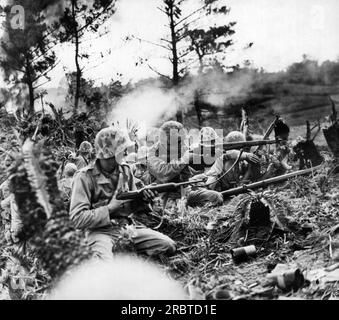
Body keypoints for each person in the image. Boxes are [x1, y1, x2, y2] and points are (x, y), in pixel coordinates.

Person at [69, 127, 176, 260]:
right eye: (121, 149)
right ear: (108, 152)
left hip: (126, 228)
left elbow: (132, 206)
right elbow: (77, 219)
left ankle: (126, 254)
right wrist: (109, 209)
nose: (125, 152)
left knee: (168, 245)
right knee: (103, 264)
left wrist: (144, 199)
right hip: (99, 232)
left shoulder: (125, 170)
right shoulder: (84, 177)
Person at [147, 121, 223, 209]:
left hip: (185, 192)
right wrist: (184, 159)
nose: (183, 144)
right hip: (164, 197)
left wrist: (211, 155)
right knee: (175, 213)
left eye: (182, 140)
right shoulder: (153, 154)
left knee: (216, 197)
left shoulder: (182, 148)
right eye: (179, 141)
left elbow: (199, 165)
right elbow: (163, 173)